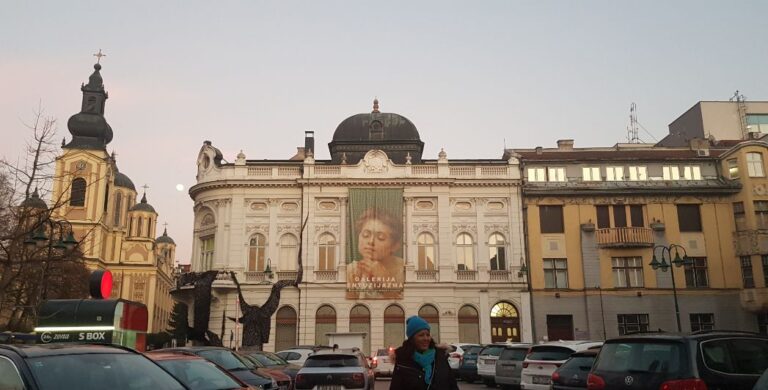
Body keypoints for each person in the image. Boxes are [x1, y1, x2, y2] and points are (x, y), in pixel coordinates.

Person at [346, 207, 404, 299]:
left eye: (380, 237)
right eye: (366, 235)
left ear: (395, 245)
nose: (371, 241)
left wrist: (387, 284)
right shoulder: (350, 271)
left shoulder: (405, 271)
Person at [390, 316, 459, 390]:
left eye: (428, 335)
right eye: (421, 335)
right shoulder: (402, 361)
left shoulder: (440, 357)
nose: (426, 338)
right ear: (412, 339)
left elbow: (452, 385)